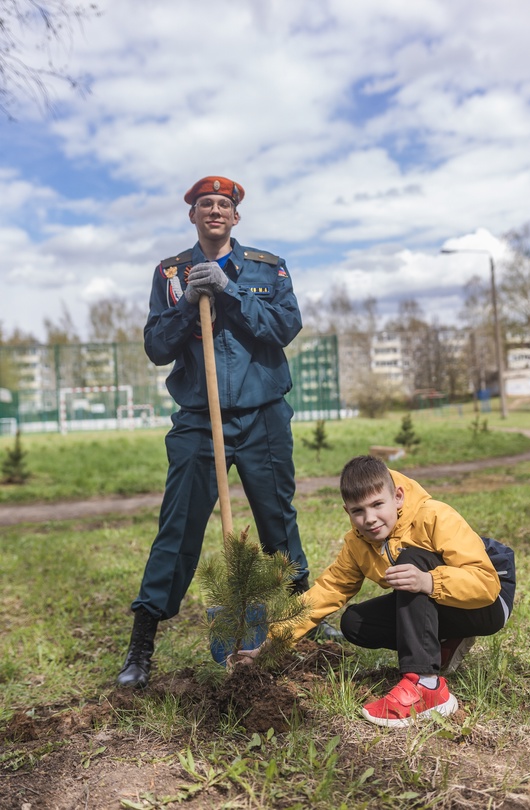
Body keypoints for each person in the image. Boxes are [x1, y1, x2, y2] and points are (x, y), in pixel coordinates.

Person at [117, 175, 341, 689]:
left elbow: (285, 327)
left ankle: (304, 621)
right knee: (177, 530)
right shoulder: (170, 274)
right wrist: (186, 301)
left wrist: (230, 292)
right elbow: (156, 347)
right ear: (193, 216)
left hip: (262, 415)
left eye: (223, 205)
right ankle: (141, 646)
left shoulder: (267, 267)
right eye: (204, 205)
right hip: (199, 420)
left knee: (278, 521)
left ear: (235, 217)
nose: (214, 211)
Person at [236, 455, 516, 728]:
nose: (369, 519)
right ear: (347, 511)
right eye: (358, 511)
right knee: (355, 623)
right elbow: (327, 591)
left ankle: (427, 686)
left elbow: (485, 584)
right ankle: (444, 640)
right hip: (444, 599)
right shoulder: (358, 543)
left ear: (398, 497)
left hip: (489, 601)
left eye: (377, 504)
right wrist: (271, 642)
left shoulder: (434, 516)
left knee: (411, 562)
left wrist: (427, 581)